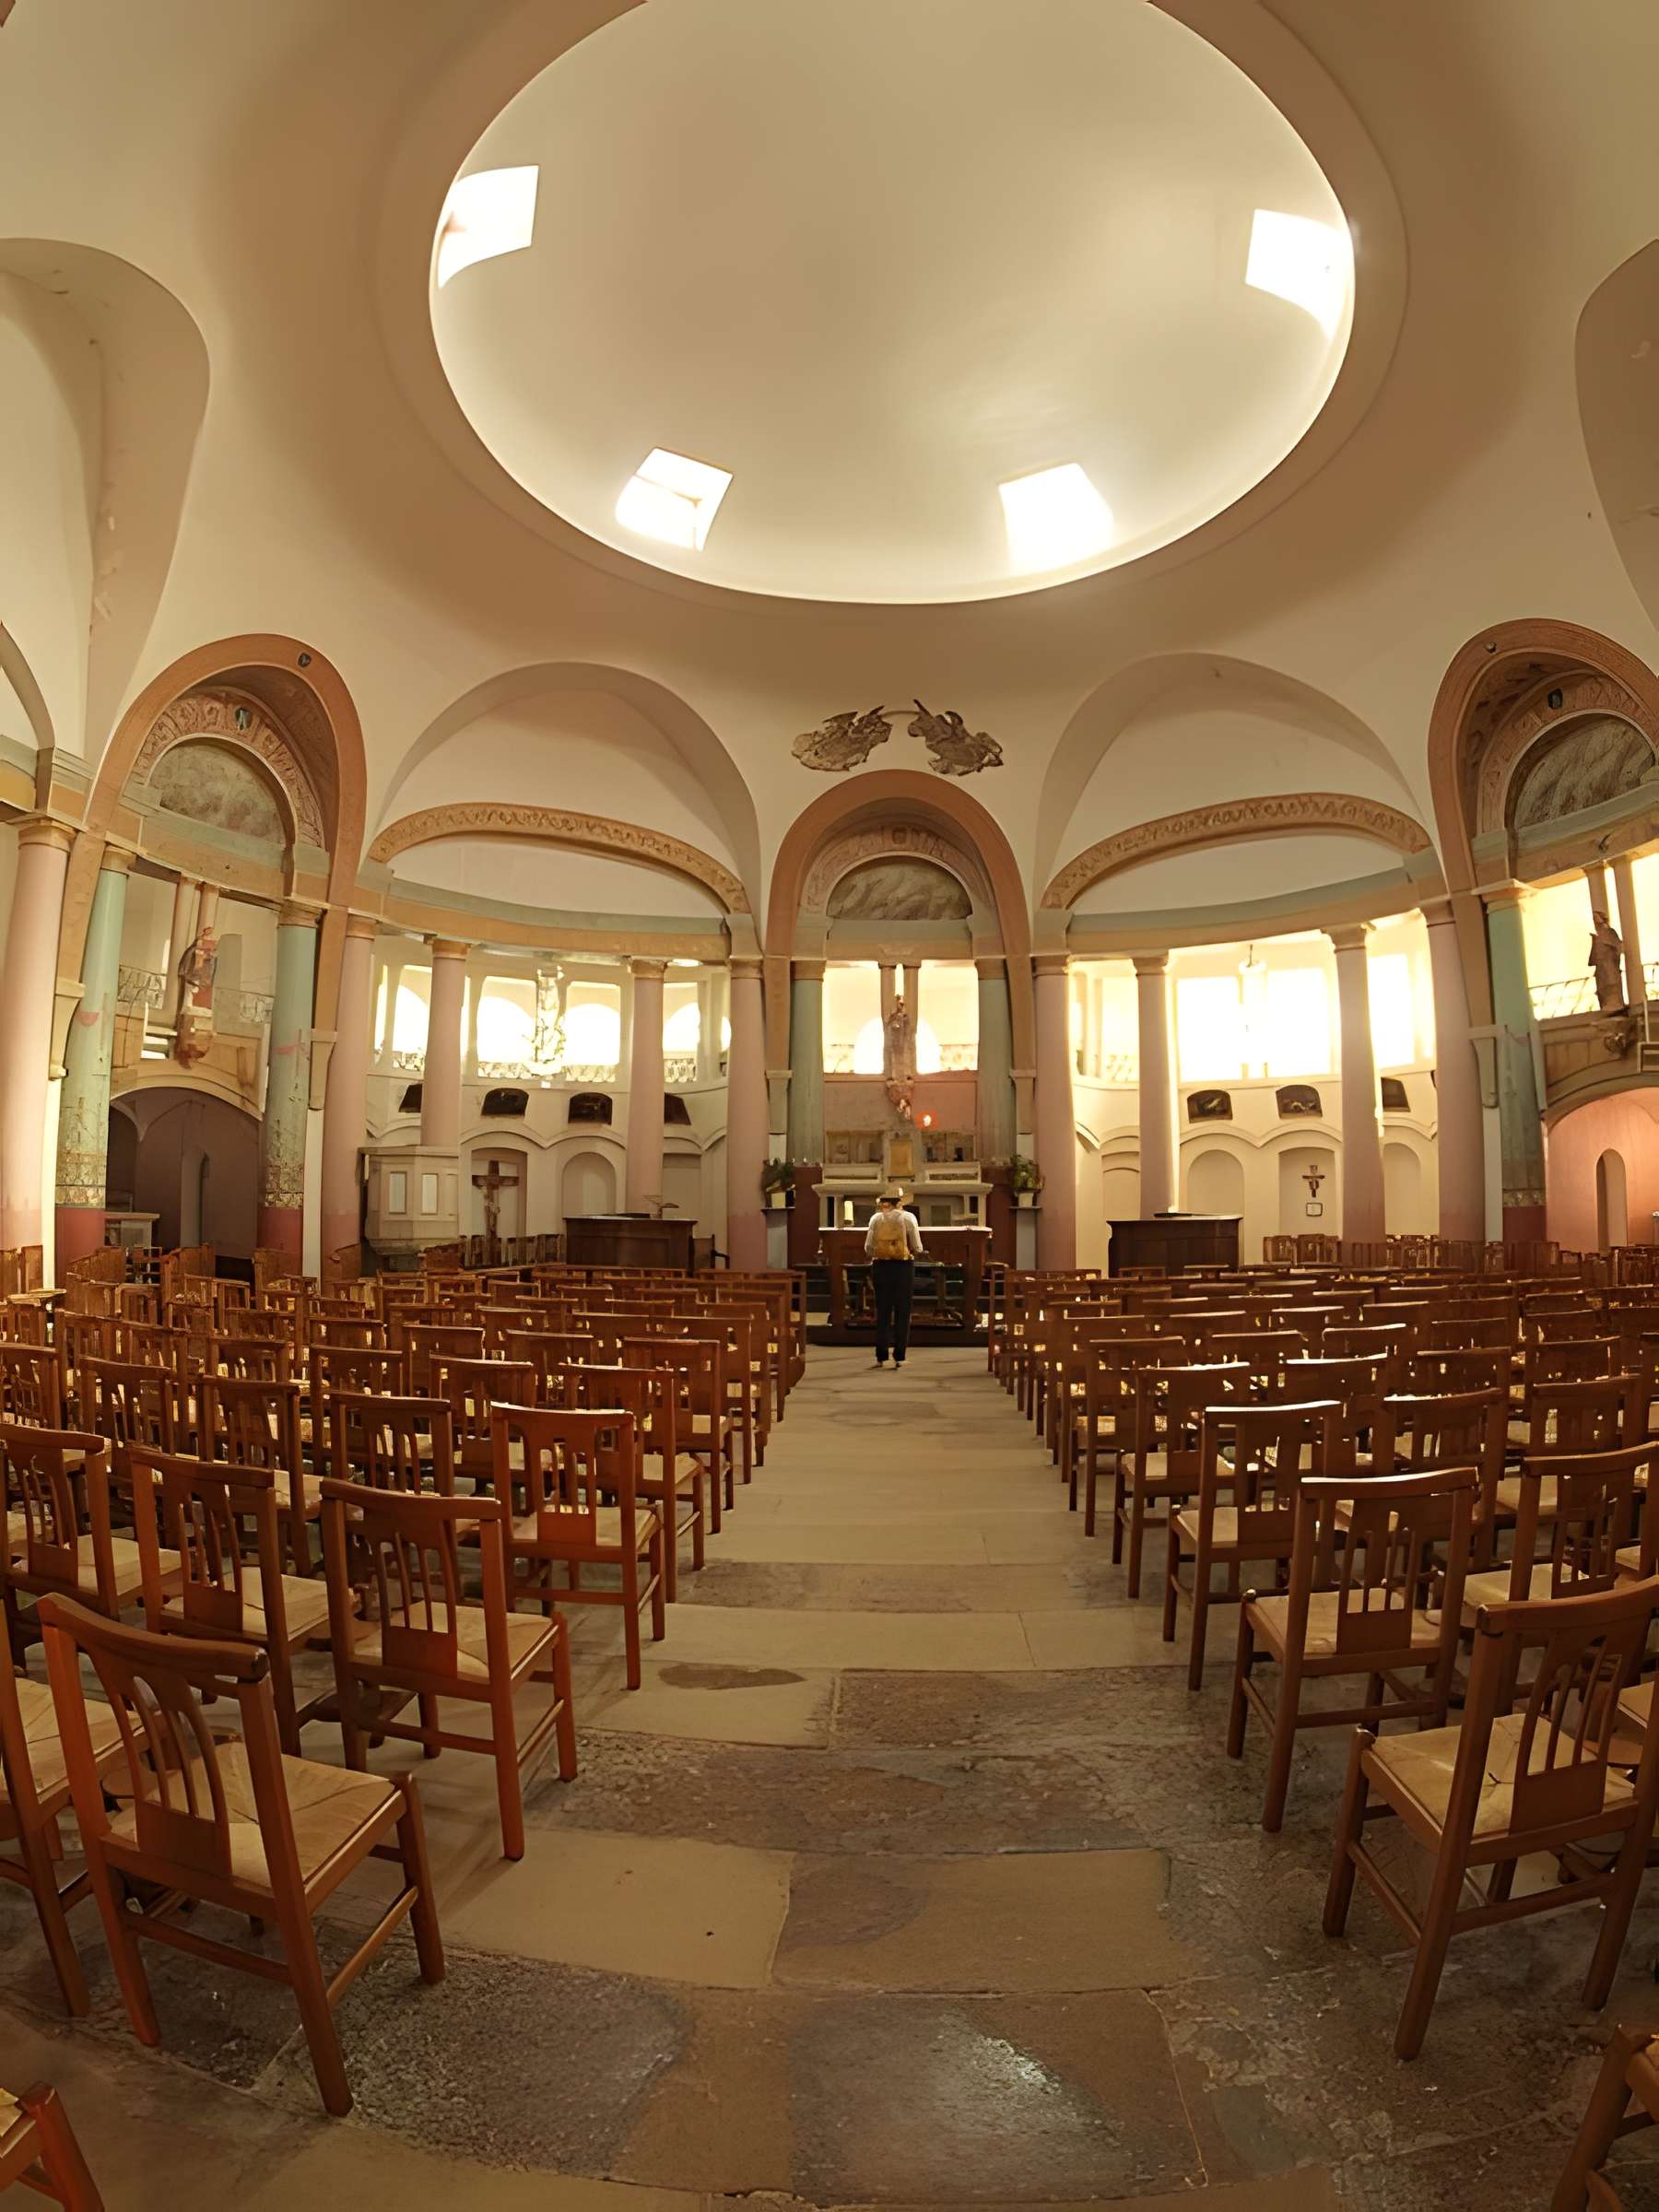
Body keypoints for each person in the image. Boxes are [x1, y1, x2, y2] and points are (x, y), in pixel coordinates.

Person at [865, 1185, 923, 1369]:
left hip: (881, 1266)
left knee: (882, 1311)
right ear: (900, 1202)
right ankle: (899, 1356)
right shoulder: (908, 1218)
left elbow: (868, 1247)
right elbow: (917, 1245)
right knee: (902, 1311)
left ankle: (881, 1356)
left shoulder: (875, 1218)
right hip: (902, 1266)